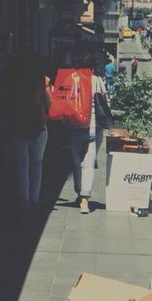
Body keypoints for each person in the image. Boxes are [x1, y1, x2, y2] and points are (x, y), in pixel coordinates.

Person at [65, 56, 112, 214]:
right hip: (94, 127)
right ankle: (85, 200)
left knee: (76, 164)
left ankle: (79, 192)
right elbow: (105, 102)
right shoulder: (97, 80)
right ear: (92, 68)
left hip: (73, 127)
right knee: (89, 164)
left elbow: (63, 101)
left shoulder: (70, 79)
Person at [9, 48, 51, 214]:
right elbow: (49, 102)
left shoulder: (12, 79)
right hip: (38, 125)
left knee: (22, 165)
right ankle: (34, 198)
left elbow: (7, 101)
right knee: (37, 163)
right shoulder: (41, 80)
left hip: (18, 124)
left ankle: (24, 201)